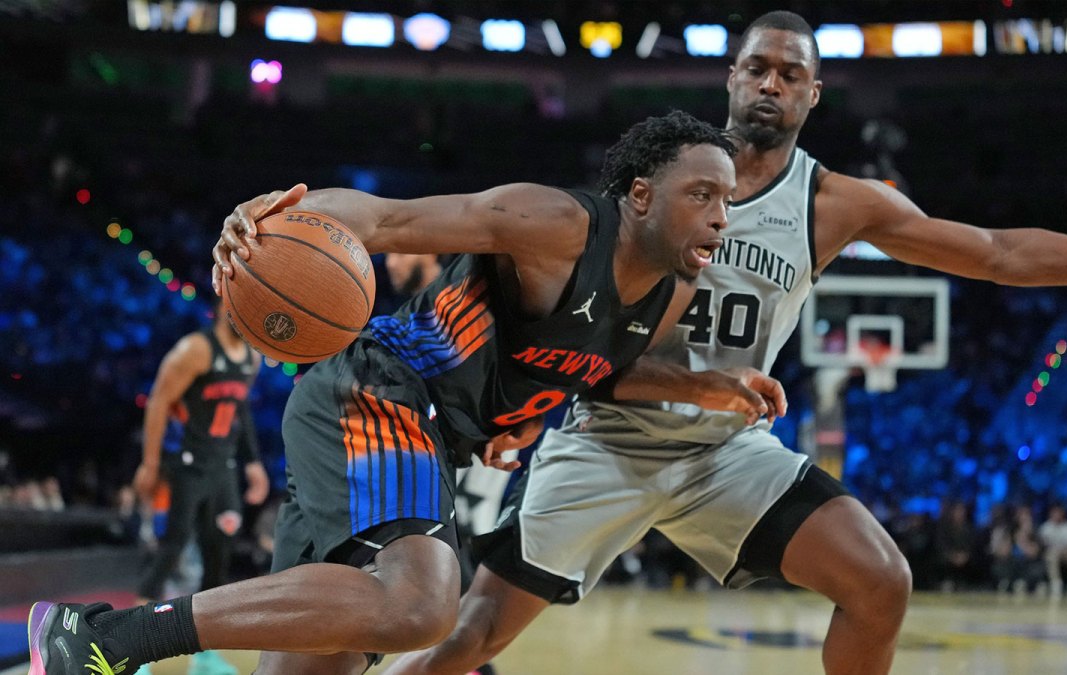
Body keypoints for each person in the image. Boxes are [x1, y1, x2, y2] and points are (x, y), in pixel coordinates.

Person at [385, 11, 1067, 675]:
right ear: (731, 79)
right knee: (469, 637)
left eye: (790, 73)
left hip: (725, 452)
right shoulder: (659, 178)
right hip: (607, 436)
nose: (772, 82)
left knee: (881, 580)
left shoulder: (837, 203)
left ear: (815, 95)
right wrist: (526, 403)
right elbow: (573, 312)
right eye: (758, 68)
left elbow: (995, 251)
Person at [27, 111, 783, 675]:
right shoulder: (560, 225)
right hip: (381, 390)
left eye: (728, 200)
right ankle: (102, 637)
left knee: (317, 664)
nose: (723, 214)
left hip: (429, 438)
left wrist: (712, 385)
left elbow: (598, 367)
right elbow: (388, 220)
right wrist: (279, 219)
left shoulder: (672, 294)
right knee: (422, 603)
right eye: (704, 193)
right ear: (643, 195)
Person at [130, 304, 271, 675]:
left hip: (223, 468)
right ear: (226, 305)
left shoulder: (251, 357)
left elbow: (240, 411)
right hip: (187, 466)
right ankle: (132, 648)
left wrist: (252, 462)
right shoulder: (195, 350)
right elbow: (159, 401)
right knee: (171, 550)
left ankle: (204, 654)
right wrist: (150, 462)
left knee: (218, 557)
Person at [1037, 504, 1067, 598]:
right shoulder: (1046, 527)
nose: (1056, 515)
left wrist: (1065, 550)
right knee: (1051, 555)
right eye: (1054, 513)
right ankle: (1056, 583)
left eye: (1058, 513)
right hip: (1053, 553)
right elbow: (1043, 545)